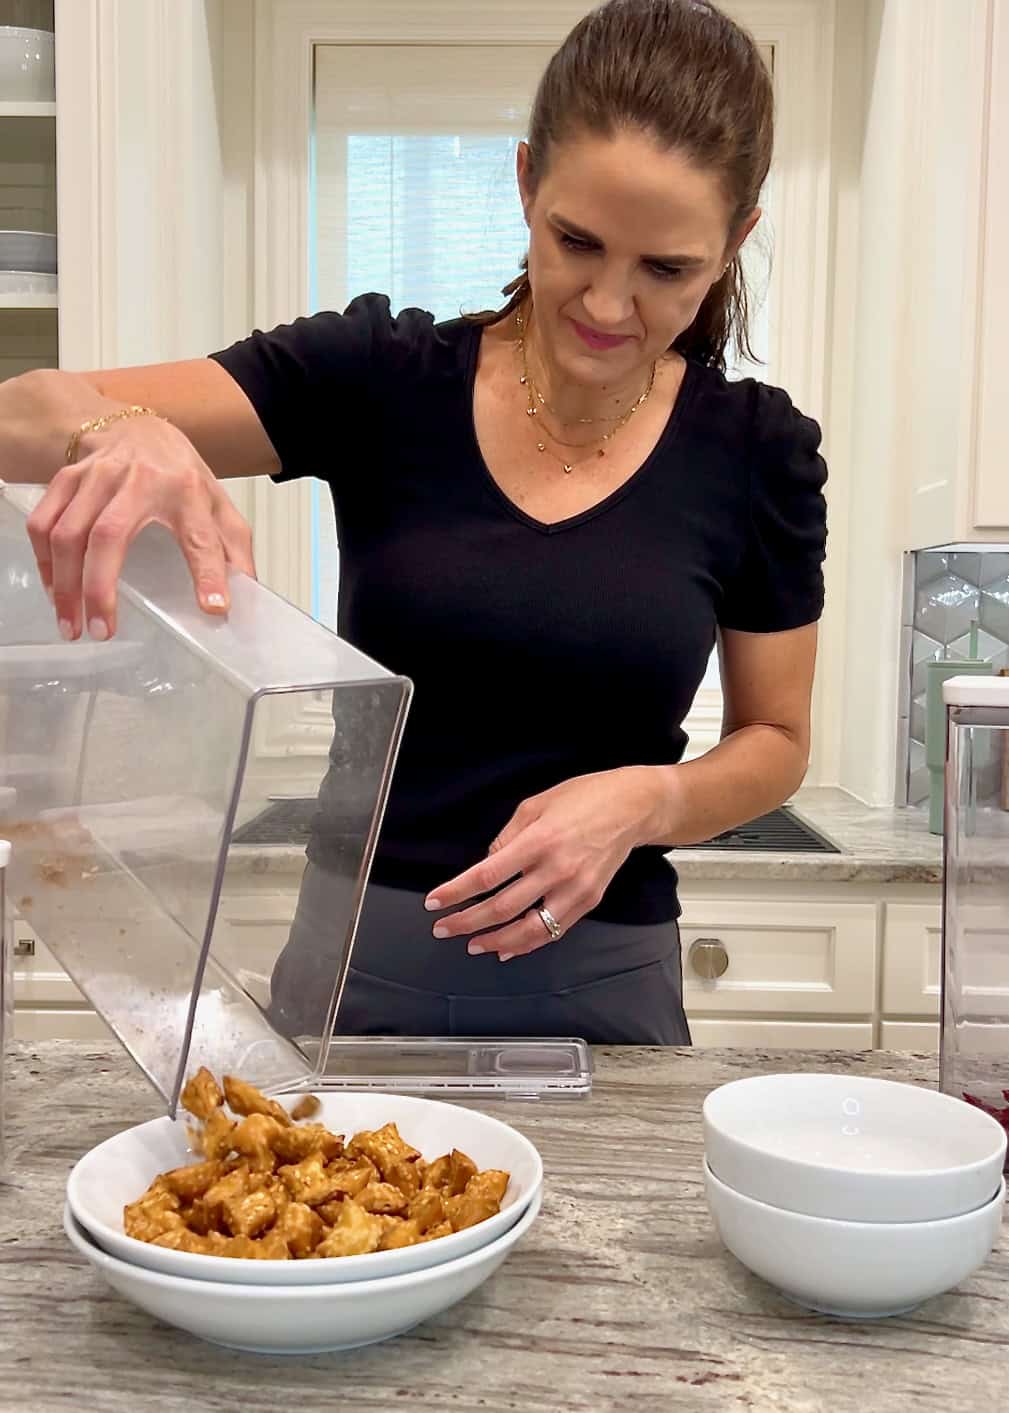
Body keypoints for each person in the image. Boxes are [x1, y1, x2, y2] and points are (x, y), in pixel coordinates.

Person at [1, 0, 826, 1045]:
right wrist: (127, 430)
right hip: (358, 966)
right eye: (577, 241)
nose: (608, 306)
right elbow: (21, 415)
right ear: (525, 182)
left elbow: (776, 739)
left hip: (605, 977)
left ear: (734, 242)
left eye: (667, 269)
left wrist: (647, 803)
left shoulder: (756, 452)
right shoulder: (380, 376)